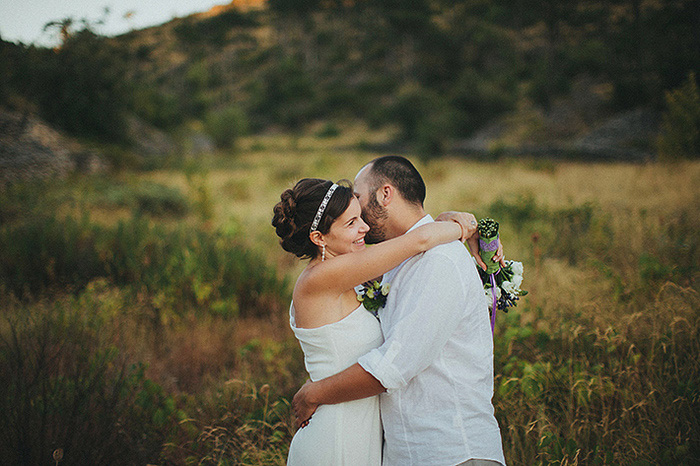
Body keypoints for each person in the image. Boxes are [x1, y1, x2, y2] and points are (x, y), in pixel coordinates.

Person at [292, 156, 507, 466]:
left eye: (359, 201)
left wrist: (313, 393)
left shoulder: (438, 261)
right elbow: (418, 240)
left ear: (385, 194)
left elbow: (393, 366)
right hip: (403, 448)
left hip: (451, 450)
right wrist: (460, 224)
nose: (361, 219)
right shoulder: (386, 260)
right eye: (351, 220)